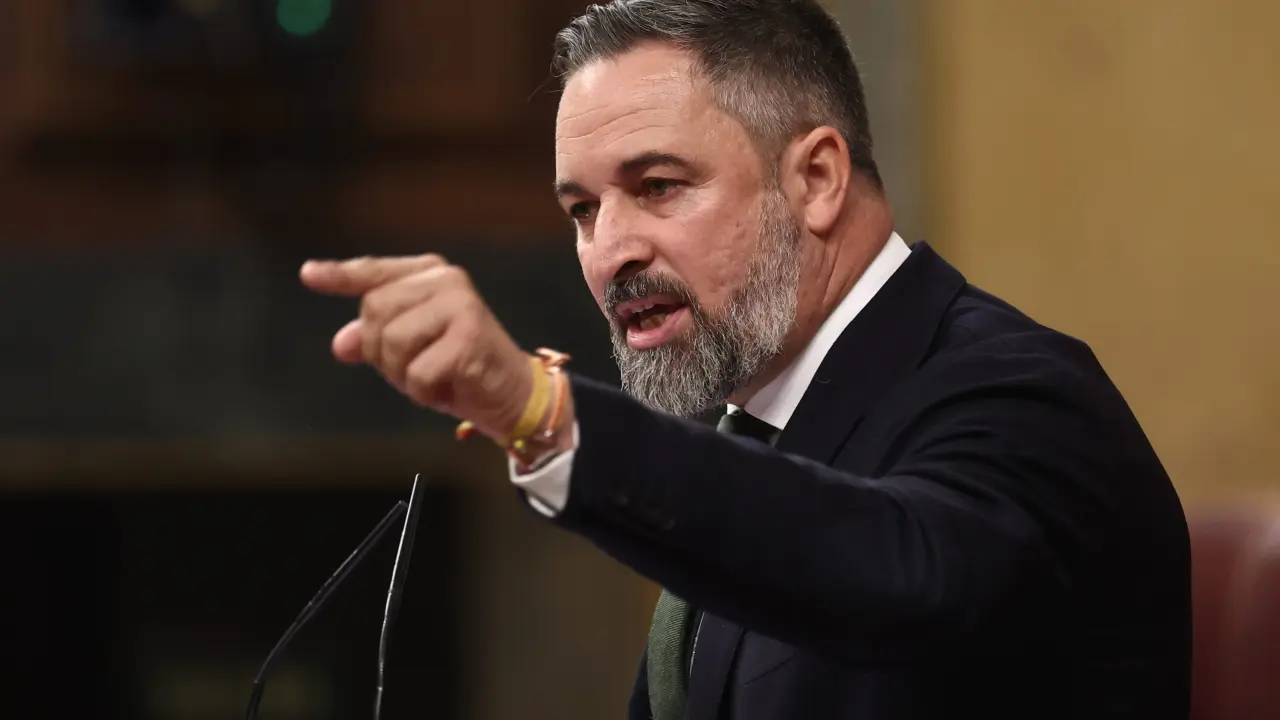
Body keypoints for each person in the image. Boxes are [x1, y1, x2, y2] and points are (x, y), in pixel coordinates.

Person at [298, 0, 1192, 718]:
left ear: (816, 179)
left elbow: (894, 570)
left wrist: (544, 415)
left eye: (658, 187)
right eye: (582, 210)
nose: (610, 252)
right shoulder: (762, 429)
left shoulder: (1021, 397)